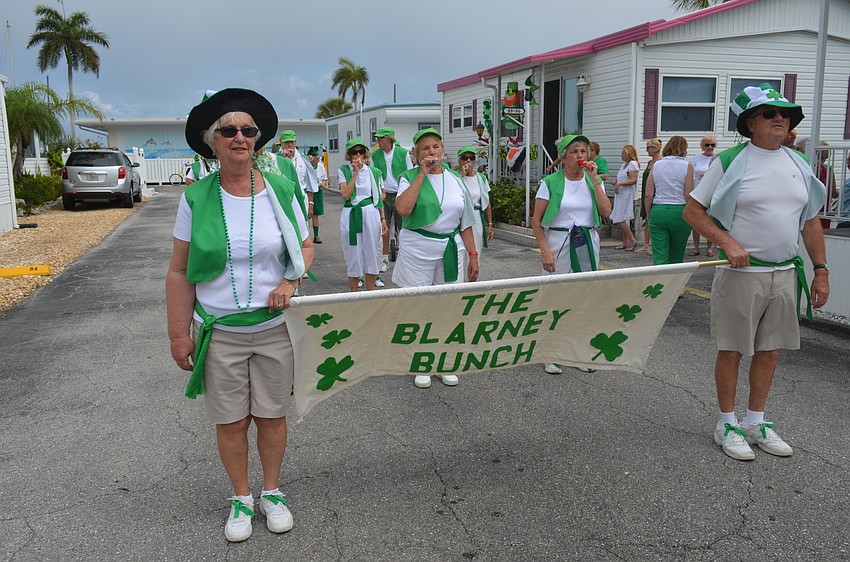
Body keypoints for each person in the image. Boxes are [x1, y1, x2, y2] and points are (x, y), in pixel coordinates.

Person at [166, 88, 313, 541]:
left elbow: (304, 246)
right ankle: (241, 497)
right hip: (220, 332)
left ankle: (271, 491)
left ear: (257, 140)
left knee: (271, 415)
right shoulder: (195, 198)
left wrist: (291, 281)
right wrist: (177, 335)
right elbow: (177, 271)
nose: (239, 137)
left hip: (272, 329)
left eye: (248, 130)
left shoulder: (282, 190)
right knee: (231, 420)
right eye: (228, 130)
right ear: (212, 140)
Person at [683, 83, 829, 462]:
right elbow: (693, 211)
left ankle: (756, 421)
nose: (780, 118)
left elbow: (810, 220)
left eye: (785, 113)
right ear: (750, 123)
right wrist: (728, 243)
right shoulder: (730, 161)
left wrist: (821, 270)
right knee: (732, 350)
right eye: (770, 113)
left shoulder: (797, 162)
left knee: (770, 350)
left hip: (784, 274)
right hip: (741, 276)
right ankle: (726, 424)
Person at [393, 128, 480, 389]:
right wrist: (422, 174)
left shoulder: (455, 179)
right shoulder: (408, 177)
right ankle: (421, 362)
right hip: (417, 248)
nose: (432, 152)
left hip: (451, 248)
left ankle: (444, 360)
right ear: (417, 155)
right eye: (425, 148)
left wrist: (473, 255)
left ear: (443, 151)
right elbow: (403, 209)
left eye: (436, 147)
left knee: (448, 304)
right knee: (419, 305)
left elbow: (466, 222)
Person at [531, 134, 612, 375]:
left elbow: (606, 211)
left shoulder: (592, 181)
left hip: (586, 241)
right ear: (564, 156)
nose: (580, 156)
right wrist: (545, 250)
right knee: (556, 297)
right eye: (574, 151)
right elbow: (536, 221)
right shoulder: (551, 182)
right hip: (558, 240)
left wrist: (596, 182)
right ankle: (551, 352)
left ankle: (578, 352)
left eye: (583, 152)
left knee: (584, 297)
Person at [338, 139, 387, 292]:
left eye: (360, 151)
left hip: (370, 212)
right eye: (354, 152)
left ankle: (370, 293)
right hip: (351, 213)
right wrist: (355, 173)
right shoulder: (343, 170)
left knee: (372, 251)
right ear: (349, 154)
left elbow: (379, 198)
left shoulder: (374, 172)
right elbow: (346, 194)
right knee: (353, 252)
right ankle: (354, 294)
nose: (357, 154)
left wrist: (383, 218)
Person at [644, 136, 694, 266]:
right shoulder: (687, 166)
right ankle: (675, 285)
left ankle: (659, 284)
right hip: (679, 210)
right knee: (676, 257)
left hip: (658, 209)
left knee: (659, 256)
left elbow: (648, 194)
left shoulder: (656, 165)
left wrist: (649, 214)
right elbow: (688, 195)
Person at [372, 128, 414, 272]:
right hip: (384, 196)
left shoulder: (403, 153)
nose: (378, 141)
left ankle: (405, 258)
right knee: (384, 229)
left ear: (389, 139)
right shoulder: (375, 155)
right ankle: (384, 259)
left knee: (403, 228)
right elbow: (373, 176)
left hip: (400, 195)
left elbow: (410, 173)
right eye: (377, 138)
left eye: (381, 138)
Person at [457, 146, 494, 265]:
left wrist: (490, 225)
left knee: (475, 251)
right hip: (460, 217)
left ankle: (473, 279)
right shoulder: (455, 177)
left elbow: (487, 203)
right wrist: (462, 175)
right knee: (460, 251)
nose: (468, 161)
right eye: (465, 158)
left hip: (476, 217)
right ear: (460, 161)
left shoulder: (481, 178)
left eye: (471, 158)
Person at [279, 130, 319, 230]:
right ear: (280, 142)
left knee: (302, 230)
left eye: (292, 142)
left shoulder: (304, 159)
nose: (289, 145)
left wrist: (311, 204)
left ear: (295, 142)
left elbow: (310, 184)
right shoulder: (274, 158)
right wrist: (281, 158)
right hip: (282, 199)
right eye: (286, 142)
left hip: (301, 198)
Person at [688, 134, 717, 257]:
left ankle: (709, 248)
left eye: (712, 145)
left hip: (711, 193)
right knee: (696, 221)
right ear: (702, 146)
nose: (710, 147)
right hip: (698, 191)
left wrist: (708, 176)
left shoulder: (718, 158)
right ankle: (696, 247)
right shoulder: (697, 158)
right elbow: (690, 173)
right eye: (707, 145)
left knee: (710, 222)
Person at [610, 145, 640, 251]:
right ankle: (625, 241)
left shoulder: (632, 164)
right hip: (620, 194)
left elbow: (633, 180)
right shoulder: (624, 166)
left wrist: (620, 184)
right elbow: (622, 177)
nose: (621, 155)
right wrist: (615, 181)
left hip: (626, 194)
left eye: (623, 153)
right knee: (619, 216)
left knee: (621, 217)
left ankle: (631, 240)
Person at [638, 138, 662, 254]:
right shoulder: (650, 162)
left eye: (649, 147)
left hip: (656, 192)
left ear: (655, 148)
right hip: (646, 191)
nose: (647, 150)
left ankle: (655, 245)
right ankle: (646, 244)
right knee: (647, 219)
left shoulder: (661, 161)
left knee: (654, 219)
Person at [307, 146, 327, 243]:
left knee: (316, 213)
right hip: (306, 190)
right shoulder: (306, 165)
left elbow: (324, 179)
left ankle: (316, 235)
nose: (315, 159)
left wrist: (323, 183)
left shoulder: (321, 166)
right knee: (305, 213)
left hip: (317, 190)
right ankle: (304, 236)